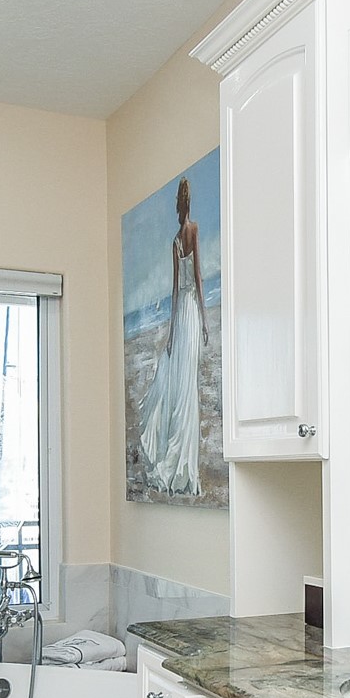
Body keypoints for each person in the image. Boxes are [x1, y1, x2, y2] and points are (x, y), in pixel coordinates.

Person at [136, 176, 205, 496]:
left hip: (183, 316)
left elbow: (176, 293)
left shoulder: (177, 240)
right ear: (187, 205)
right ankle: (182, 461)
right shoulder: (191, 233)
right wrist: (203, 319)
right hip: (191, 311)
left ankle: (181, 457)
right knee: (186, 382)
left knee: (183, 382)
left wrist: (172, 333)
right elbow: (197, 281)